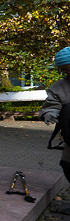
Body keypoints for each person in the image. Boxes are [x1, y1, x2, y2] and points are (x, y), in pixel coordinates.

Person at [40, 47, 70, 183]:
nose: (65, 72)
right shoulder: (58, 88)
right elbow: (52, 105)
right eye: (62, 69)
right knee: (68, 167)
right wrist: (49, 113)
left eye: (68, 68)